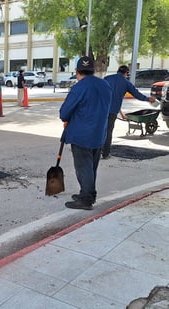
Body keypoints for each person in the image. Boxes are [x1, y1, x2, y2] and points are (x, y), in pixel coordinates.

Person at [59, 56, 112, 210]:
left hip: (81, 135)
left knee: (83, 168)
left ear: (77, 72)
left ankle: (86, 199)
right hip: (99, 134)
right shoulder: (105, 85)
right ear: (93, 70)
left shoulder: (79, 87)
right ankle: (87, 193)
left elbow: (64, 113)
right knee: (91, 168)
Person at [102, 65, 156, 159]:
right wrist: (148, 99)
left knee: (99, 130)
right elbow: (137, 94)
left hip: (101, 109)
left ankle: (95, 152)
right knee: (108, 132)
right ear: (126, 73)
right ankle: (106, 154)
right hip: (112, 111)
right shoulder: (126, 83)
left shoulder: (107, 78)